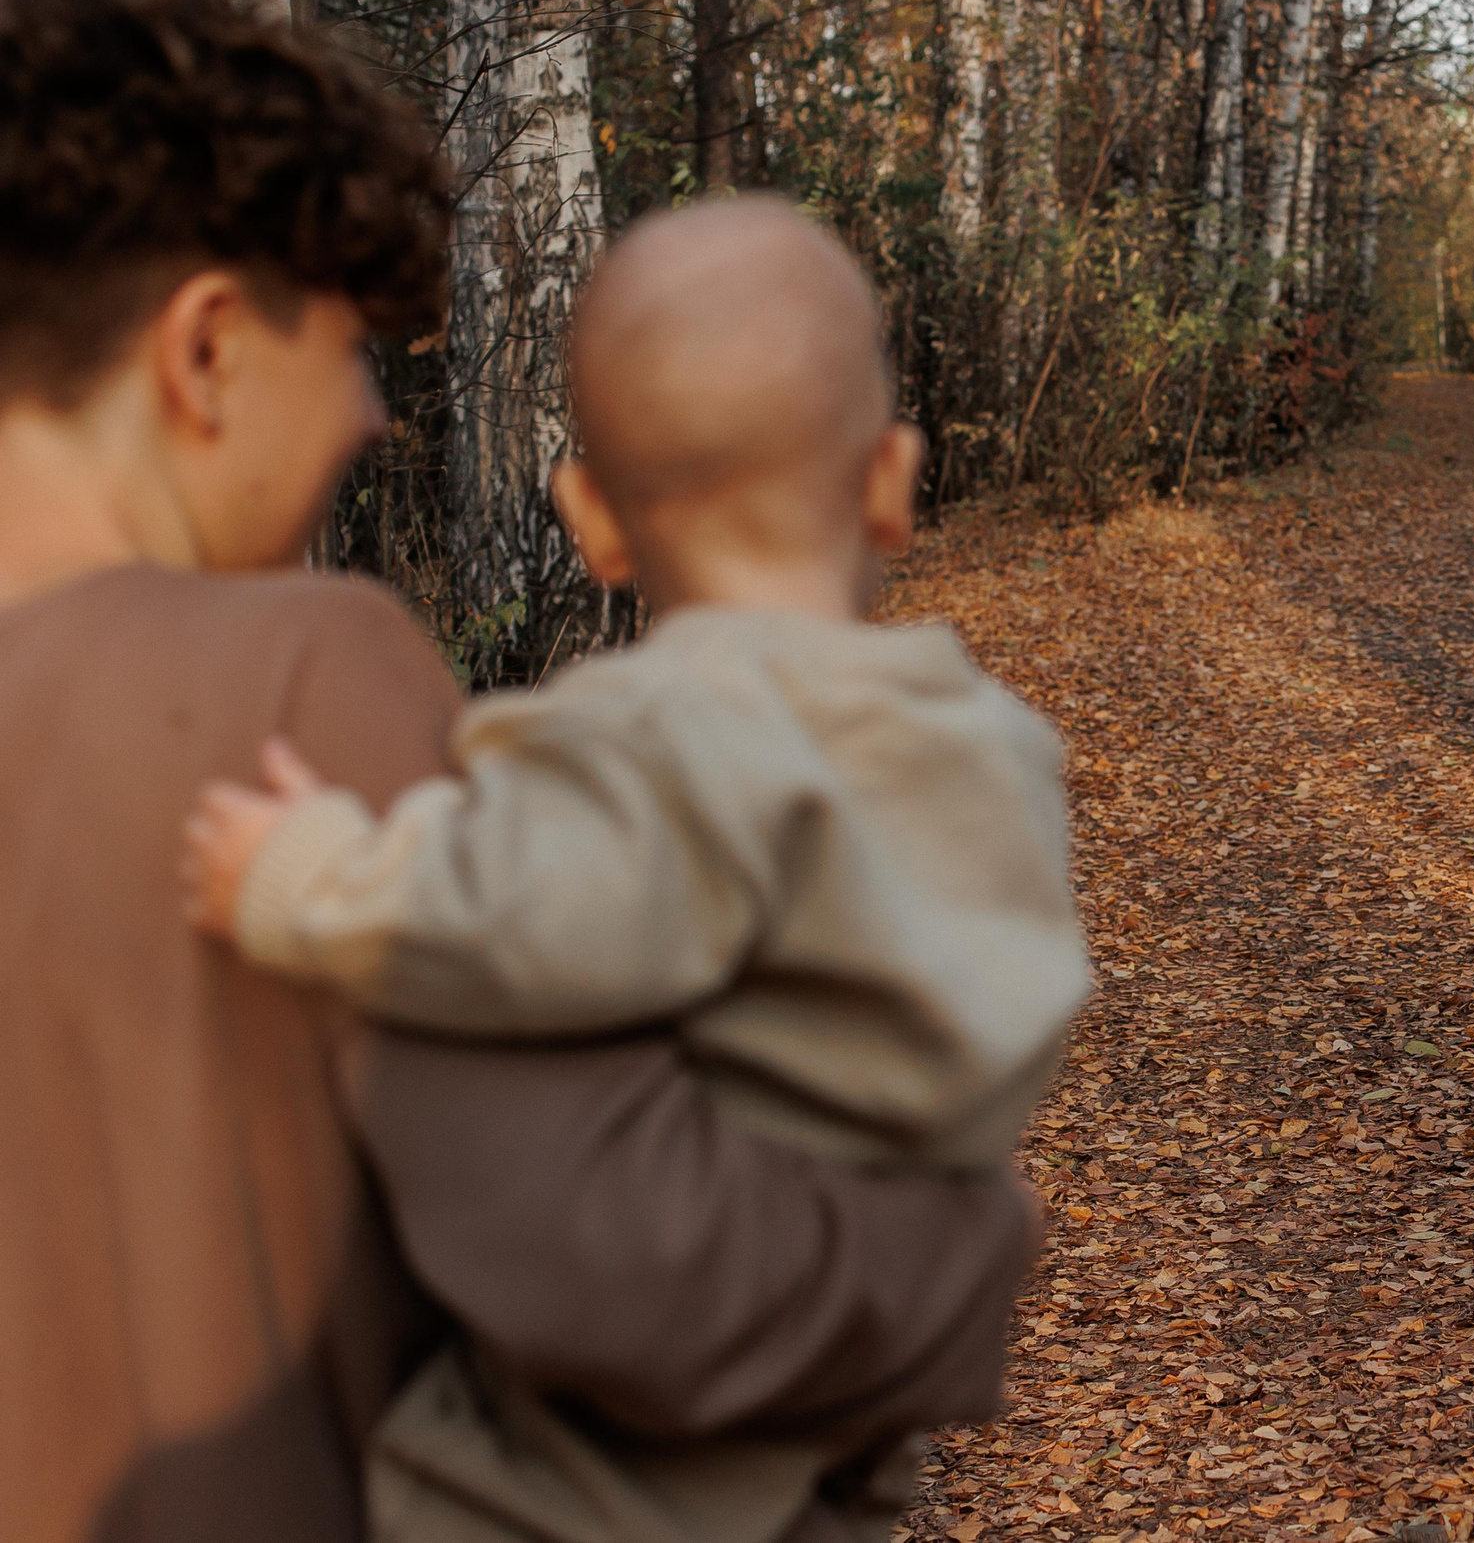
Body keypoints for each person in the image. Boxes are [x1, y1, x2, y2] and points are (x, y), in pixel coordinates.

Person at [0, 0, 1035, 1543]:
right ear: (206, 351)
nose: (367, 418)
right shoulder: (290, 674)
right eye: (346, 347)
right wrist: (969, 1258)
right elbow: (631, 1270)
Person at [180, 196, 1091, 1541]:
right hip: (854, 1387)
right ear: (892, 482)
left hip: (607, 1470)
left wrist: (309, 874)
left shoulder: (661, 737)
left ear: (593, 522)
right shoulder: (999, 749)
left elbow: (520, 917)